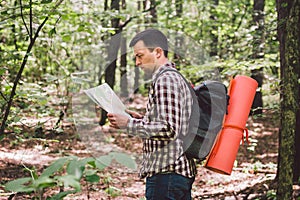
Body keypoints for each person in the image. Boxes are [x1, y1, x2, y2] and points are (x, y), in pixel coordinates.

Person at [107, 28, 196, 200]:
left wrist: (128, 124)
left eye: (140, 55)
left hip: (167, 175)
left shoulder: (166, 79)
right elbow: (171, 121)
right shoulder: (172, 77)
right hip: (175, 174)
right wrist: (139, 119)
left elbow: (169, 129)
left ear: (157, 52)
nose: (137, 62)